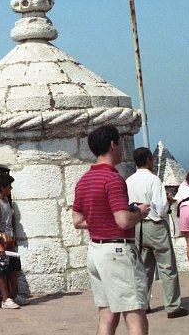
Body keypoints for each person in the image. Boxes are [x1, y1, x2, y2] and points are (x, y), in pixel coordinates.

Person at [72, 125, 151, 335]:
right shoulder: (113, 179)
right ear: (113, 144)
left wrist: (104, 219)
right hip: (118, 253)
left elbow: (78, 221)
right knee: (135, 315)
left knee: (107, 315)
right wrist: (140, 213)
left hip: (95, 252)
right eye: (120, 143)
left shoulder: (83, 181)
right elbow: (124, 221)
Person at [125, 147, 187, 319]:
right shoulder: (154, 180)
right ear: (147, 159)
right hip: (155, 225)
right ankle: (172, 307)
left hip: (137, 226)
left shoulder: (129, 181)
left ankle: (143, 304)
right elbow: (160, 207)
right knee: (167, 266)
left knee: (144, 267)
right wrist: (168, 203)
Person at [0, 173, 25, 309]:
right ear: (3, 187)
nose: (11, 188)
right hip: (1, 238)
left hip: (9, 238)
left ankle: (14, 295)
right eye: (9, 186)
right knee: (3, 270)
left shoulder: (6, 200)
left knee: (13, 268)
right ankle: (5, 298)